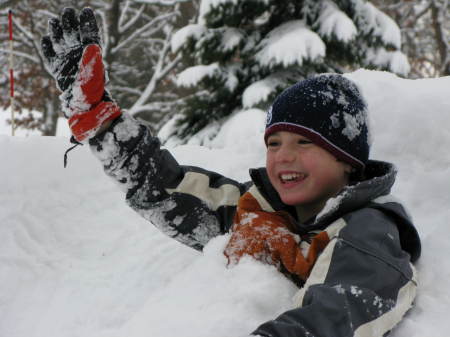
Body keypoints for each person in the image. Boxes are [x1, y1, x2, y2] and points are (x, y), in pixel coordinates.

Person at [41, 7, 421, 337]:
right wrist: (100, 120)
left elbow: (341, 311)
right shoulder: (252, 209)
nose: (283, 157)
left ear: (346, 159)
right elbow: (169, 188)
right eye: (274, 144)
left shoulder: (368, 229)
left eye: (304, 143)